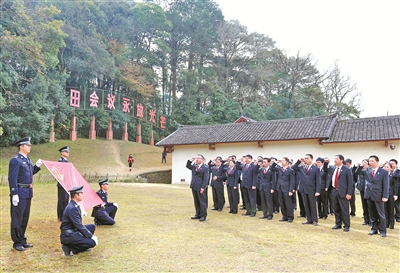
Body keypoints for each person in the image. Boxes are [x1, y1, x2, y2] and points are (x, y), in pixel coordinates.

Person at [8, 136, 42, 251]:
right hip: (20, 192)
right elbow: (12, 178)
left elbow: (29, 173)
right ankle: (17, 242)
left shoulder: (27, 160)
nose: (30, 147)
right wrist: (14, 193)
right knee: (17, 217)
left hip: (28, 192)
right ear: (21, 147)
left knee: (25, 217)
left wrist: (36, 166)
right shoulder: (15, 160)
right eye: (28, 145)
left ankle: (22, 239)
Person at [60, 186, 98, 256]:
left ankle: (81, 245)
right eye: (81, 193)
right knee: (92, 243)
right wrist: (91, 236)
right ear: (76, 195)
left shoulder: (74, 205)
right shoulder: (72, 208)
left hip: (73, 231)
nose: (83, 195)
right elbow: (79, 226)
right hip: (68, 235)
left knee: (92, 226)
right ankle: (69, 248)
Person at [359, 155, 389, 237]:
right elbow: (356, 173)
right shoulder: (367, 170)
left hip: (378, 195)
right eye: (369, 161)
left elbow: (386, 185)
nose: (370, 162)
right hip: (369, 195)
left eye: (372, 161)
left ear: (377, 162)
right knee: (372, 213)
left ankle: (382, 230)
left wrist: (385, 196)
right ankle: (374, 229)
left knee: (381, 214)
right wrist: (360, 166)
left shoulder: (383, 172)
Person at [325, 155, 353, 232]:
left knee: (344, 209)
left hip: (343, 192)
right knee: (336, 209)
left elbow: (350, 182)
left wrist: (349, 193)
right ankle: (338, 223)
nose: (335, 160)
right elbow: (326, 171)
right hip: (334, 191)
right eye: (334, 159)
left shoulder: (346, 170)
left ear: (341, 160)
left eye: (337, 159)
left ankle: (346, 225)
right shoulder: (332, 168)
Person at [293, 154, 321, 226]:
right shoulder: (302, 167)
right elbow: (294, 167)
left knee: (312, 205)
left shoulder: (316, 169)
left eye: (307, 158)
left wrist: (318, 191)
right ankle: (308, 219)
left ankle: (315, 220)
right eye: (305, 158)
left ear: (311, 159)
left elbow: (318, 180)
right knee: (306, 205)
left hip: (312, 189)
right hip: (304, 188)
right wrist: (299, 161)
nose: (305, 159)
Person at [186, 154, 209, 221]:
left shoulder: (205, 167)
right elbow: (188, 166)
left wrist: (203, 187)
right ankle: (197, 213)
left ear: (202, 160)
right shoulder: (194, 166)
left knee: (202, 201)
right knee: (196, 201)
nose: (197, 159)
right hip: (194, 185)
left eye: (198, 158)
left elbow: (205, 178)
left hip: (200, 186)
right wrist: (191, 160)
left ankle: (203, 215)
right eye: (197, 158)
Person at [272, 157, 295, 223]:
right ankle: (284, 216)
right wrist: (277, 162)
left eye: (283, 161)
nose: (282, 162)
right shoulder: (279, 169)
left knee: (288, 204)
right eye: (281, 161)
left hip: (287, 189)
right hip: (279, 188)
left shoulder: (290, 170)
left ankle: (290, 217)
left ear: (287, 162)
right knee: (281, 203)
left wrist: (291, 190)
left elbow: (292, 181)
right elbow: (272, 167)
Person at [383, 162, 399, 229]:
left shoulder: (393, 175)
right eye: (385, 167)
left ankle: (392, 224)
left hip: (391, 194)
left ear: (390, 168)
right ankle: (386, 223)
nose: (386, 168)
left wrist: (395, 194)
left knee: (391, 209)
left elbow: (395, 186)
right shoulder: (382, 175)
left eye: (387, 167)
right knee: (385, 209)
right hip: (384, 194)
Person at [355, 159, 371, 226]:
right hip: (362, 189)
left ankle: (371, 220)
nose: (364, 163)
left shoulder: (370, 170)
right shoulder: (361, 170)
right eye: (363, 162)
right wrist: (360, 166)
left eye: (365, 162)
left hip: (369, 190)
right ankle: (366, 219)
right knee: (364, 205)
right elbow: (356, 172)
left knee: (369, 206)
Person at [57, 146, 70, 221]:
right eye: (66, 152)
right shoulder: (60, 161)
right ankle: (61, 216)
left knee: (66, 200)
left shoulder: (66, 161)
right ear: (62, 153)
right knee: (62, 200)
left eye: (68, 152)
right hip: (62, 184)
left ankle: (65, 215)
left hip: (66, 183)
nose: (67, 153)